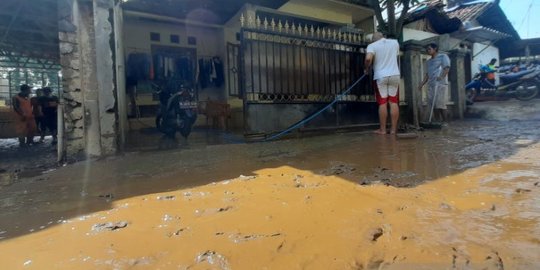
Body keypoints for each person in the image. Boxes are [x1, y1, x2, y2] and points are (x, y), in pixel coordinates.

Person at [364, 32, 401, 135]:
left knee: (383, 103)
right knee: (393, 102)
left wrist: (366, 68)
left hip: (381, 76)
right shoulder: (394, 43)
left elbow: (368, 59)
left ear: (373, 39)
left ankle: (383, 130)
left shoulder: (372, 45)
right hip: (395, 75)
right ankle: (393, 130)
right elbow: (397, 58)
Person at [419, 43, 451, 123]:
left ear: (435, 48)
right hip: (431, 85)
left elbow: (446, 68)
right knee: (434, 106)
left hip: (441, 84)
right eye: (427, 49)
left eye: (429, 49)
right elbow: (427, 74)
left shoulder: (443, 57)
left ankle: (445, 123)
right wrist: (422, 84)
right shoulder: (428, 62)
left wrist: (441, 77)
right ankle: (437, 122)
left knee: (440, 105)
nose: (427, 50)